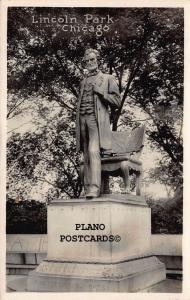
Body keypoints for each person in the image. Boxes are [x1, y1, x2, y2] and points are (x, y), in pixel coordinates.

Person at [76, 48, 121, 198]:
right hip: (82, 119)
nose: (90, 63)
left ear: (97, 60)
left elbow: (117, 101)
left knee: (94, 151)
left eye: (92, 59)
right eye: (87, 61)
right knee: (86, 154)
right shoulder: (83, 82)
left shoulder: (108, 78)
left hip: (96, 120)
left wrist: (102, 93)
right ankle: (87, 187)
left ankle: (95, 188)